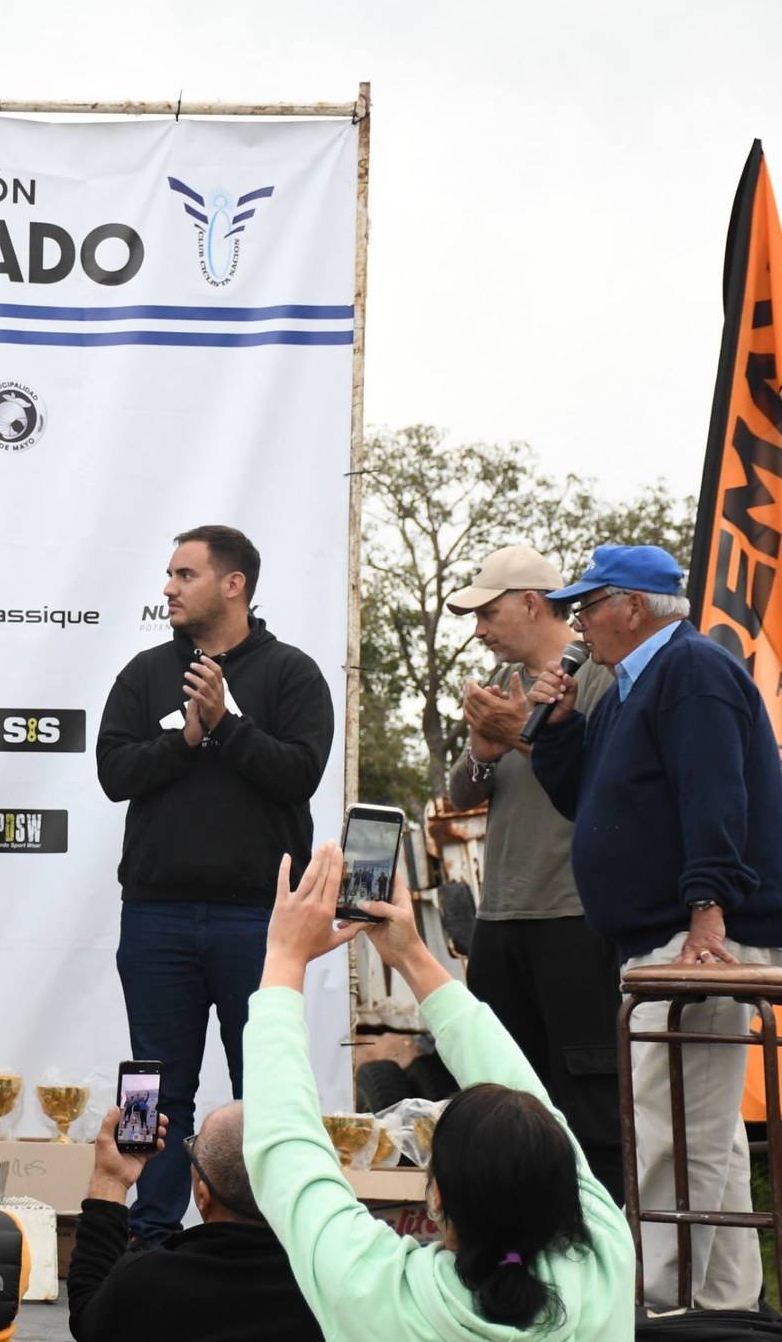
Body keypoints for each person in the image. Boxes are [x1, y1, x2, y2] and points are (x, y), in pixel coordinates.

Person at [527, 542, 782, 1310]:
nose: (578, 624)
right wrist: (558, 727)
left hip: (694, 937)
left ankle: (660, 1301)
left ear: (631, 606)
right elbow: (587, 802)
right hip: (665, 936)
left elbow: (716, 791)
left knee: (669, 1128)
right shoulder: (626, 690)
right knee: (702, 1129)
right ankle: (727, 1303)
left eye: (587, 606)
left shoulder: (690, 670)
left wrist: (708, 908)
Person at [242, 843, 630, 1339]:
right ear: (565, 1187)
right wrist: (408, 953)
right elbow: (284, 1149)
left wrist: (285, 954)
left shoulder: (378, 1292)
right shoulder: (605, 1258)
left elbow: (287, 1150)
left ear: (436, 1198)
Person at [92, 525, 334, 1246]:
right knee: (152, 1084)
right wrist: (186, 739)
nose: (168, 587)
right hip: (155, 917)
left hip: (258, 921)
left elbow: (298, 774)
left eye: (185, 574)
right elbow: (114, 773)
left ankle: (268, 1240)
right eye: (169, 574)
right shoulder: (144, 673)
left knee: (265, 1086)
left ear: (234, 585)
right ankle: (146, 1238)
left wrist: (226, 724)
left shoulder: (292, 673)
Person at [441, 544, 623, 1199]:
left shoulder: (602, 675)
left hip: (574, 915)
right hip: (500, 918)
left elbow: (605, 779)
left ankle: (604, 1233)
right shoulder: (505, 686)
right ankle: (517, 1233)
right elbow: (460, 793)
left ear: (530, 603)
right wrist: (484, 751)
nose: (479, 630)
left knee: (589, 1101)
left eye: (488, 613)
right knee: (503, 1097)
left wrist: (523, 733)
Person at [66, 1103, 322, 1342]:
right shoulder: (325, 1284)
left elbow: (89, 1317)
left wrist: (110, 1180)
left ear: (203, 1195)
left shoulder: (148, 1281)